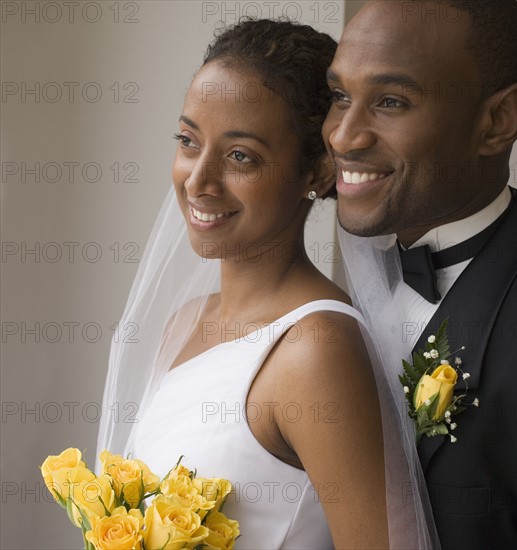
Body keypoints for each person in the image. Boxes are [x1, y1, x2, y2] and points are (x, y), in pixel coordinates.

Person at [97, 19, 437, 549]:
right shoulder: (184, 322)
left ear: (318, 174)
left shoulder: (316, 349)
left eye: (240, 157)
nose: (198, 180)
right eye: (189, 141)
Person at [323, 1, 517, 549]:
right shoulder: (333, 305)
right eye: (340, 97)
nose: (343, 136)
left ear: (498, 120)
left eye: (391, 101)